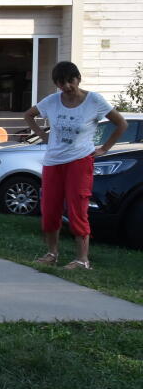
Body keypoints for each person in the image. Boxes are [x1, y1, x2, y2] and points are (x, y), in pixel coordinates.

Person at [24, 61, 127, 271]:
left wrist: (105, 148)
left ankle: (82, 260)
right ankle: (52, 253)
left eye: (70, 81)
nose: (67, 87)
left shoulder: (94, 100)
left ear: (78, 78)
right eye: (61, 83)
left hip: (79, 162)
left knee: (77, 208)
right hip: (53, 162)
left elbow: (121, 123)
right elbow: (29, 115)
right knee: (50, 208)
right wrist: (43, 136)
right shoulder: (52, 101)